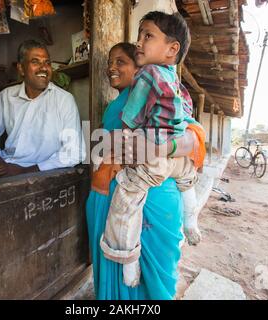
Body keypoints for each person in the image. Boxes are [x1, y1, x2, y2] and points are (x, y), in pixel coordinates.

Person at [86, 42, 205, 299]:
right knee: (112, 272)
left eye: (121, 62)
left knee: (149, 282)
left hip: (147, 198)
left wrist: (156, 149)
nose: (111, 68)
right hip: (107, 194)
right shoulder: (112, 106)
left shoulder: (158, 97)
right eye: (110, 62)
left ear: (139, 67)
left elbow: (193, 138)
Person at [0, 39, 86, 187]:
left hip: (43, 171)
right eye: (35, 62)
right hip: (6, 166)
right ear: (21, 69)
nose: (44, 68)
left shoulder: (64, 100)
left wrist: (23, 171)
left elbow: (74, 152)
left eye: (47, 63)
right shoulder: (6, 96)